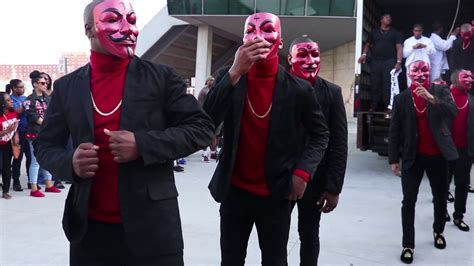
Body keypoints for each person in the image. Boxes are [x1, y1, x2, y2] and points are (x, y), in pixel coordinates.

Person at [34, 0, 214, 265]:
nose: (128, 28)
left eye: (131, 20)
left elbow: (201, 128)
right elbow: (45, 146)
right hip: (90, 231)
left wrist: (143, 144)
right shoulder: (66, 87)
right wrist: (69, 163)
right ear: (89, 30)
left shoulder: (162, 77)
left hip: (153, 230)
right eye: (113, 19)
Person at [203, 12, 329, 266]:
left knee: (274, 260)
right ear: (243, 39)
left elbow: (320, 134)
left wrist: (302, 172)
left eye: (267, 29)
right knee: (230, 259)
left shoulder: (299, 90)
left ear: (280, 42)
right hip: (234, 192)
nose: (258, 36)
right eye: (250, 31)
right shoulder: (229, 77)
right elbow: (205, 121)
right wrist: (235, 71)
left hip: (276, 195)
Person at [389, 60, 458, 264]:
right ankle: (408, 244)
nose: (420, 74)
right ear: (409, 73)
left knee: (439, 197)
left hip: (438, 155)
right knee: (408, 201)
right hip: (413, 157)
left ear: (430, 72)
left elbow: (453, 112)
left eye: (424, 70)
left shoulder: (440, 90)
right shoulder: (401, 99)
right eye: (415, 70)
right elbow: (395, 131)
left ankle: (438, 231)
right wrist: (394, 159)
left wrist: (431, 98)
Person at [287, 35, 348, 266]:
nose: (310, 60)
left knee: (309, 234)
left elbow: (339, 143)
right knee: (275, 236)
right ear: (290, 58)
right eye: (303, 54)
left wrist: (333, 187)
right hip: (281, 177)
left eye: (314, 54)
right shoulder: (278, 87)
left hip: (315, 180)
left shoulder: (332, 93)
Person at [25, 72, 61, 197]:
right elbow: (32, 115)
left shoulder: (47, 98)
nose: (45, 84)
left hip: (46, 133)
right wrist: (46, 124)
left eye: (46, 82)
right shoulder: (29, 99)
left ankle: (49, 184)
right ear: (35, 84)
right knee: (35, 161)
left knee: (46, 158)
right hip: (34, 133)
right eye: (42, 83)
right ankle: (34, 187)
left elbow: (53, 112)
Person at [358, 14, 403, 111]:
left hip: (389, 61)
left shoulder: (395, 33)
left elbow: (399, 47)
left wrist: (399, 62)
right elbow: (367, 44)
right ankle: (374, 105)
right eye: (387, 18)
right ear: (381, 20)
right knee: (375, 83)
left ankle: (388, 105)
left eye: (390, 18)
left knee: (388, 84)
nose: (389, 19)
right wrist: (364, 55)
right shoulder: (374, 33)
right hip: (376, 61)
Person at [446, 69, 473, 232]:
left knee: (462, 184)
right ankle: (441, 212)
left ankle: (458, 216)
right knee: (442, 184)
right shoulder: (443, 97)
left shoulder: (472, 100)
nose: (470, 79)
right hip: (445, 149)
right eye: (466, 77)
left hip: (464, 150)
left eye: (471, 77)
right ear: (455, 81)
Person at [8, 79, 29, 192]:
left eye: (23, 86)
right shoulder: (10, 100)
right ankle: (16, 181)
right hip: (17, 131)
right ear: (14, 88)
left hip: (28, 130)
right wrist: (27, 105)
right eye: (20, 87)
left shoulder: (24, 98)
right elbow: (17, 111)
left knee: (30, 157)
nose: (23, 89)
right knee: (18, 157)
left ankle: (31, 181)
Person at [0, 92, 20, 199]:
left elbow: (15, 128)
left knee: (7, 168)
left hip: (8, 144)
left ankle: (5, 191)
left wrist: (16, 136)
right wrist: (6, 131)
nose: (11, 101)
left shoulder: (13, 113)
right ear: (2, 103)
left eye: (10, 99)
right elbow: (8, 129)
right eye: (8, 100)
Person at [198, 76, 219, 161]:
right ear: (207, 82)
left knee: (216, 135)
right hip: (205, 116)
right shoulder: (204, 91)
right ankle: (205, 153)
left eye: (213, 80)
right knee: (207, 134)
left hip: (213, 115)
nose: (212, 82)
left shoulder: (213, 90)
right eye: (211, 80)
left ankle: (213, 152)